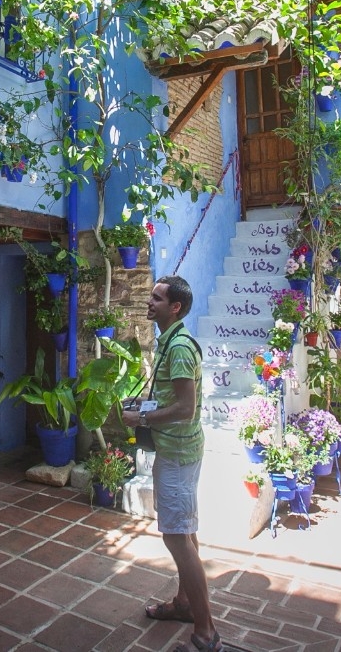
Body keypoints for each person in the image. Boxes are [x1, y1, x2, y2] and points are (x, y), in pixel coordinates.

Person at [121, 276, 223, 652]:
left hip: (178, 454)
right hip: (179, 450)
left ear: (175, 307)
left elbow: (185, 407)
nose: (149, 302)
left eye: (157, 298)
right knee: (187, 534)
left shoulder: (179, 349)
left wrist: (141, 420)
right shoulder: (171, 342)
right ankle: (183, 604)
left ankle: (206, 629)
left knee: (177, 538)